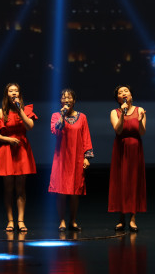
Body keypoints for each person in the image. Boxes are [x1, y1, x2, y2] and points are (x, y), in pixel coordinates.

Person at [0, 83, 37, 232]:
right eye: (11, 91)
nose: (14, 93)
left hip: (22, 150)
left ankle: (21, 221)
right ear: (7, 94)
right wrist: (7, 139)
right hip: (7, 150)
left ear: (19, 94)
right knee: (8, 188)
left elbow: (30, 126)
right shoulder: (0, 112)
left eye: (16, 90)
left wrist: (20, 110)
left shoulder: (26, 110)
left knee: (21, 188)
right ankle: (10, 220)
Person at [48, 88, 94, 232]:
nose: (66, 100)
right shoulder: (56, 115)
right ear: (60, 101)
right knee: (61, 192)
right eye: (64, 97)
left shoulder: (82, 117)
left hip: (76, 158)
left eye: (69, 97)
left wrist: (87, 157)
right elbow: (56, 130)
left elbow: (86, 137)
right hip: (61, 158)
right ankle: (62, 221)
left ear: (74, 100)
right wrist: (62, 116)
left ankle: (72, 221)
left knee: (75, 192)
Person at [108, 85, 146, 232]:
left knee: (134, 181)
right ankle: (121, 217)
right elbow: (118, 130)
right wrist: (123, 115)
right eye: (120, 92)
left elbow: (142, 132)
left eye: (126, 91)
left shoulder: (140, 110)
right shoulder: (115, 112)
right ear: (118, 98)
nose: (124, 93)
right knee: (121, 181)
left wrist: (140, 120)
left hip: (135, 149)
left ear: (131, 95)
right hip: (120, 148)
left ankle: (133, 218)